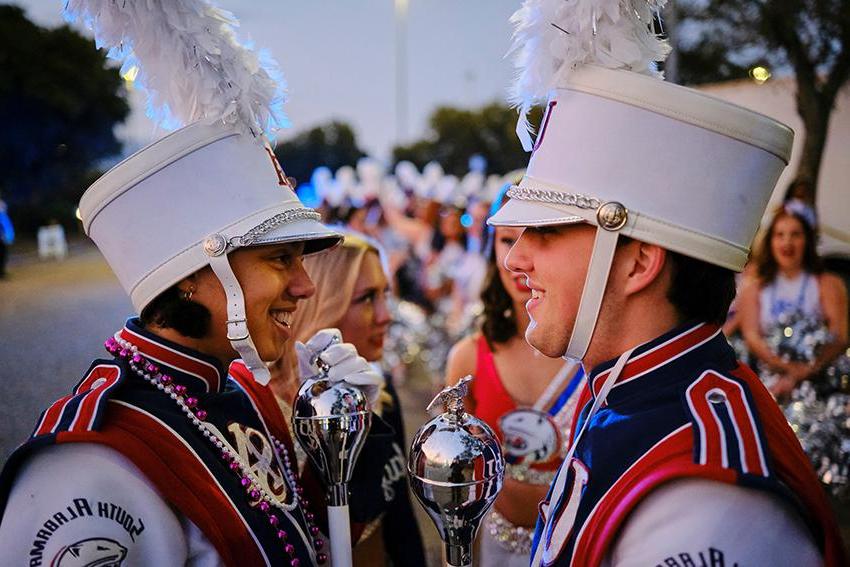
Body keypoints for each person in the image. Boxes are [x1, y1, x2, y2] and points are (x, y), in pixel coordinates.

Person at [0, 4, 383, 566]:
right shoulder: (93, 458)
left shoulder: (241, 388)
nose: (304, 288)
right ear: (191, 279)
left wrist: (337, 451)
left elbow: (295, 544)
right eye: (280, 260)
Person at [487, 5, 847, 565]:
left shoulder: (706, 494)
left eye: (547, 231)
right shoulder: (621, 389)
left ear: (638, 263)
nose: (516, 258)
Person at [260, 231, 427, 567]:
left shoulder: (379, 392)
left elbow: (399, 518)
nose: (385, 315)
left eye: (385, 295)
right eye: (366, 298)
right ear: (320, 304)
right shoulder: (260, 406)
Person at [445, 188, 583, 565]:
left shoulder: (596, 355)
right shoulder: (468, 359)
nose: (520, 259)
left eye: (538, 236)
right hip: (494, 549)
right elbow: (453, 488)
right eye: (508, 239)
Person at [738, 204, 848, 399]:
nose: (787, 242)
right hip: (770, 384)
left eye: (795, 234)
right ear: (770, 242)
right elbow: (752, 337)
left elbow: (839, 337)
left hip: (821, 385)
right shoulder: (753, 289)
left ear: (807, 240)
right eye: (779, 235)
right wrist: (786, 369)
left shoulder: (829, 283)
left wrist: (802, 372)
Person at [0, 195, 14, 278]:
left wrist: (9, 235)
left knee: (3, 254)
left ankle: (2, 271)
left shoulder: (2, 204)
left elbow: (6, 223)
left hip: (2, 236)